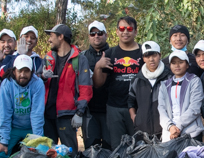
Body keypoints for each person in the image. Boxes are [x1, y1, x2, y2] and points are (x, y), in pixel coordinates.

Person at [92, 16, 142, 149]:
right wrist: (98, 66)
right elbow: (98, 84)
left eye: (129, 28)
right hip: (114, 107)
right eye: (122, 28)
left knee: (138, 147)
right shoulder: (109, 53)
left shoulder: (143, 53)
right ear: (117, 31)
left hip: (138, 107)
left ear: (135, 32)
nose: (125, 31)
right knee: (117, 148)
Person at [43, 23, 89, 149]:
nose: (49, 39)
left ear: (61, 37)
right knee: (46, 155)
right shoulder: (48, 57)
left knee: (70, 155)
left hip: (67, 115)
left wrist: (79, 113)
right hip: (47, 115)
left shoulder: (79, 59)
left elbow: (86, 89)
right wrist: (42, 76)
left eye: (51, 36)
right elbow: (36, 81)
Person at [0, 54, 45, 154]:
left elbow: (37, 114)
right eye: (20, 71)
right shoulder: (6, 84)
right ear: (14, 71)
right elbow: (4, 113)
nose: (23, 74)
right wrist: (4, 141)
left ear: (31, 72)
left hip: (31, 127)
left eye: (26, 71)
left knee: (39, 155)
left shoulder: (38, 83)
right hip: (13, 127)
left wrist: (38, 139)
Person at [158, 49, 204, 142]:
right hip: (170, 134)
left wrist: (178, 126)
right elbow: (161, 109)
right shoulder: (164, 85)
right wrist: (170, 127)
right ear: (170, 65)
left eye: (181, 62)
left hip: (191, 133)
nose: (177, 65)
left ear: (187, 65)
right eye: (174, 63)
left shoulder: (194, 81)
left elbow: (195, 107)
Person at [78, 20, 111, 148]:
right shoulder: (82, 57)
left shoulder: (114, 54)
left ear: (106, 35)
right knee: (91, 149)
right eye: (92, 34)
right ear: (89, 37)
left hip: (111, 110)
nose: (96, 36)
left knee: (111, 149)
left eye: (99, 33)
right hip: (89, 111)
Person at [129, 41, 169, 136]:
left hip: (165, 131)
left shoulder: (169, 77)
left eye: (154, 55)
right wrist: (134, 117)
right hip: (142, 132)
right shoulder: (137, 80)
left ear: (160, 55)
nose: (151, 59)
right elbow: (131, 100)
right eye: (147, 56)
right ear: (143, 58)